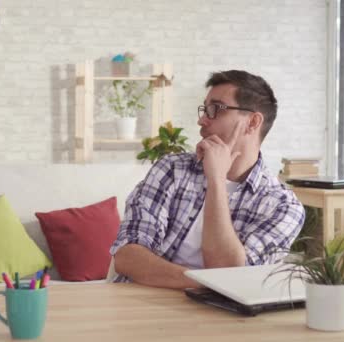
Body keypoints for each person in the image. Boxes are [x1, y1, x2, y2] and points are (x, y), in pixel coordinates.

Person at [110, 70, 305, 289]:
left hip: (222, 319)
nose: (201, 120)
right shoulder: (172, 169)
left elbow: (230, 273)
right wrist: (209, 283)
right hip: (141, 304)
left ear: (252, 122)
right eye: (205, 109)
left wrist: (216, 180)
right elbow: (127, 257)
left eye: (216, 109)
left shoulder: (283, 207)